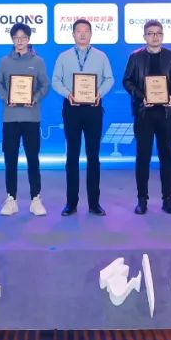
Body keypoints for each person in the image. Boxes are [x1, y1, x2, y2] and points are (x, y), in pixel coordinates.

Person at [122, 19, 171, 215]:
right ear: (144, 36)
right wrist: (141, 97)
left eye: (158, 33)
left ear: (162, 36)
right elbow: (127, 81)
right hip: (144, 113)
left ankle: (168, 199)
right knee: (143, 157)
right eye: (151, 33)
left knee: (167, 156)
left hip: (165, 113)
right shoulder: (135, 57)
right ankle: (142, 199)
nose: (155, 37)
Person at [51, 18, 114, 216]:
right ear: (73, 34)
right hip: (72, 109)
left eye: (86, 30)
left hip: (93, 109)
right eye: (79, 31)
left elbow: (109, 79)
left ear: (91, 34)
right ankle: (71, 203)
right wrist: (67, 93)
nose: (83, 34)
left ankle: (94, 203)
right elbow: (55, 80)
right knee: (72, 155)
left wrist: (99, 94)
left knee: (93, 156)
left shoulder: (101, 56)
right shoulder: (64, 57)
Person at [0, 22, 50, 216]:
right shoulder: (4, 61)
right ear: (12, 39)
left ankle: (36, 199)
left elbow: (45, 85)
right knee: (10, 159)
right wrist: (5, 97)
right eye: (16, 38)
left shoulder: (38, 61)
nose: (20, 41)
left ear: (28, 39)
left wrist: (34, 99)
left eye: (23, 38)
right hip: (10, 118)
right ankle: (11, 199)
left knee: (33, 158)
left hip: (31, 117)